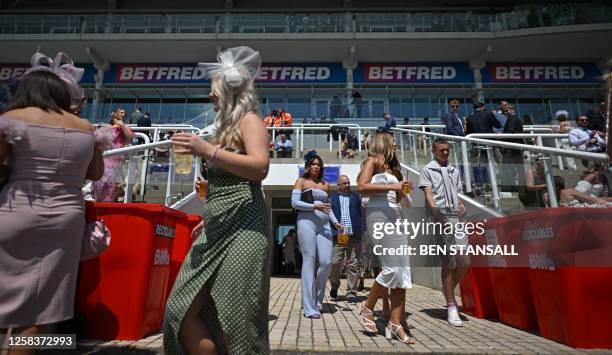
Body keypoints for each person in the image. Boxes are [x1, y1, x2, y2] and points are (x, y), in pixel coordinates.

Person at [163, 46, 271, 355]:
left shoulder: (249, 121)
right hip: (216, 225)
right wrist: (207, 213)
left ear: (229, 90)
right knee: (179, 310)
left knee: (237, 320)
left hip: (245, 229)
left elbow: (260, 167)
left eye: (213, 89)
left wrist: (206, 151)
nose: (210, 95)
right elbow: (224, 178)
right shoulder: (219, 129)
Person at [0, 52, 104, 346]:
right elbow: (95, 173)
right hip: (66, 218)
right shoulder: (86, 129)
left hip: (16, 209)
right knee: (39, 309)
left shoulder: (10, 118)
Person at [357, 132, 414, 345]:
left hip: (396, 216)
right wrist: (394, 186)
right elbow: (362, 188)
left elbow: (397, 196)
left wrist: (403, 194)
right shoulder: (372, 162)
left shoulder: (393, 169)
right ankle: (368, 306)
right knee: (391, 269)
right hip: (378, 214)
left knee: (402, 271)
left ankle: (396, 322)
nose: (397, 146)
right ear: (385, 144)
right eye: (394, 143)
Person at [419, 139, 468, 327]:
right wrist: (439, 218)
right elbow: (429, 197)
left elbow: (458, 194)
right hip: (439, 218)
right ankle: (451, 306)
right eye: (441, 150)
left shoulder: (455, 170)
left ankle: (447, 290)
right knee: (447, 261)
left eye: (447, 150)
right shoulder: (427, 170)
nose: (445, 153)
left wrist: (461, 204)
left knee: (465, 261)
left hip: (457, 219)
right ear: (434, 151)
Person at [292, 150, 343, 319]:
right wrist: (315, 206)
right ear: (308, 166)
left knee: (327, 261)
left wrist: (335, 222)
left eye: (318, 164)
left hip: (324, 225)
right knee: (309, 260)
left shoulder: (325, 185)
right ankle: (309, 306)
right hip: (306, 222)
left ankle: (317, 298)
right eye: (313, 164)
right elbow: (295, 203)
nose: (316, 166)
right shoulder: (301, 181)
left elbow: (328, 208)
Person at [328, 175, 362, 303]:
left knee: (354, 264)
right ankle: (335, 286)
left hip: (354, 235)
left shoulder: (355, 197)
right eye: (344, 183)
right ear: (339, 185)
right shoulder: (332, 198)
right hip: (339, 235)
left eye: (348, 183)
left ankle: (351, 292)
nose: (347, 185)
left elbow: (362, 212)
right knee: (335, 263)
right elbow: (329, 213)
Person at [91, 107, 134, 202]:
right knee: (99, 184)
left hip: (115, 160)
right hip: (104, 159)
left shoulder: (124, 127)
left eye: (124, 113)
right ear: (114, 114)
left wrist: (122, 126)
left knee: (111, 186)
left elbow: (130, 138)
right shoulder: (106, 127)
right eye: (121, 112)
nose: (123, 114)